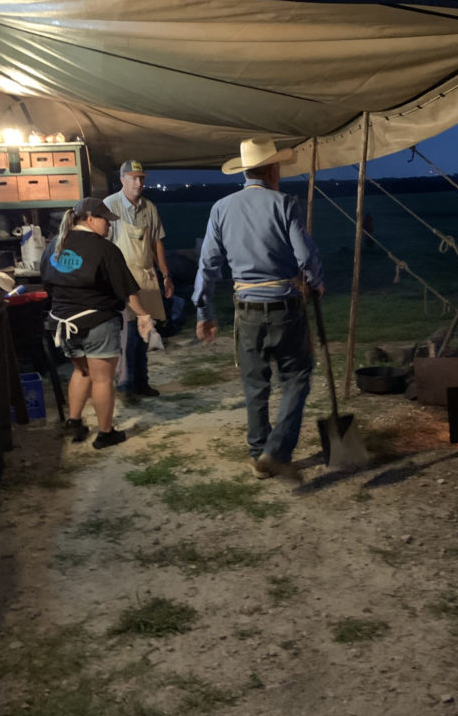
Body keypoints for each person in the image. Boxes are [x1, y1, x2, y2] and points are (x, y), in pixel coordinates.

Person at [192, 137, 324, 481]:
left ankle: (258, 453)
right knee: (297, 377)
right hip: (285, 308)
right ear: (271, 168)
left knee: (255, 384)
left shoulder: (221, 208)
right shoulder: (285, 203)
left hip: (247, 309)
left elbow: (207, 265)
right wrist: (315, 281)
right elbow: (305, 256)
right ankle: (276, 450)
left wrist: (204, 312)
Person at [41, 197, 153, 450]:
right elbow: (126, 291)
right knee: (102, 379)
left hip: (62, 323)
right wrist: (144, 315)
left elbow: (47, 284)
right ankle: (106, 433)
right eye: (106, 221)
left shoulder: (54, 246)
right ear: (90, 218)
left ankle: (75, 421)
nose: (109, 226)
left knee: (81, 371)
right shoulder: (104, 249)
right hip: (97, 321)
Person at [103, 160, 174, 399]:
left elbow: (156, 242)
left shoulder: (149, 207)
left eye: (141, 178)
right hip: (123, 281)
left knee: (145, 333)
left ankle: (142, 382)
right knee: (128, 335)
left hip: (146, 277)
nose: (138, 182)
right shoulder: (110, 205)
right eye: (133, 178)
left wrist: (165, 275)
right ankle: (126, 385)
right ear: (122, 179)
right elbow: (104, 247)